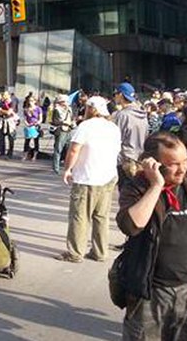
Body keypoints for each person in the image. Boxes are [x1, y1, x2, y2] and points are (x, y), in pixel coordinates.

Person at [117, 132, 187, 339]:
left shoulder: (184, 183)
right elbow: (131, 226)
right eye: (174, 164)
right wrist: (156, 185)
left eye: (185, 161)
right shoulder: (137, 188)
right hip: (151, 291)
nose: (182, 169)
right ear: (154, 164)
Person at [56, 96, 121, 263]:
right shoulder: (113, 127)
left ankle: (75, 253)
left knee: (80, 216)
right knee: (101, 216)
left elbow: (73, 150)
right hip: (108, 176)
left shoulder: (85, 126)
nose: (84, 110)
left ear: (92, 109)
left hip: (87, 176)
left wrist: (68, 169)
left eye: (87, 107)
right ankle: (100, 252)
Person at [112, 82, 148, 189]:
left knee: (125, 196)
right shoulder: (143, 114)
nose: (114, 96)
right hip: (139, 159)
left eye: (115, 93)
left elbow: (116, 139)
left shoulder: (123, 115)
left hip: (125, 161)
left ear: (121, 95)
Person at [51, 94, 75, 175]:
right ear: (61, 102)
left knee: (69, 148)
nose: (67, 103)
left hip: (69, 130)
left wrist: (72, 123)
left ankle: (68, 167)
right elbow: (55, 121)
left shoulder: (69, 109)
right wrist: (64, 122)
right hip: (61, 130)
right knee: (58, 149)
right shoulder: (57, 109)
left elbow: (72, 118)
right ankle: (56, 167)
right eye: (65, 101)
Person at [0, 92, 18, 159]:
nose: (4, 96)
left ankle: (10, 153)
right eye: (3, 95)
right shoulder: (2, 103)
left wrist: (2, 110)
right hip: (3, 121)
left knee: (11, 137)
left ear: (8, 96)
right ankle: (1, 151)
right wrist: (3, 111)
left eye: (5, 95)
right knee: (0, 137)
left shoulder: (12, 103)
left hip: (10, 121)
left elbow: (9, 112)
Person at [23, 96, 42, 161]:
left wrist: (37, 123)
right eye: (29, 101)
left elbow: (40, 118)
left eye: (32, 100)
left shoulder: (38, 109)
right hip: (29, 126)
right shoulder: (26, 109)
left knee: (36, 141)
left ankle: (35, 155)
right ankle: (25, 155)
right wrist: (27, 124)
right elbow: (25, 119)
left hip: (35, 126)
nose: (30, 102)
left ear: (35, 101)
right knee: (27, 141)